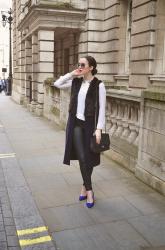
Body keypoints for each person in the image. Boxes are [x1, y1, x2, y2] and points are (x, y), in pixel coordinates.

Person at [54, 56, 106, 208]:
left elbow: (102, 108)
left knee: (88, 158)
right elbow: (57, 84)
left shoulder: (99, 85)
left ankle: (84, 186)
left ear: (91, 67)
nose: (80, 66)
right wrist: (72, 73)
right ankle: (90, 191)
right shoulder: (75, 82)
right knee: (82, 157)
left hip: (90, 125)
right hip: (76, 124)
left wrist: (99, 129)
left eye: (83, 64)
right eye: (79, 64)